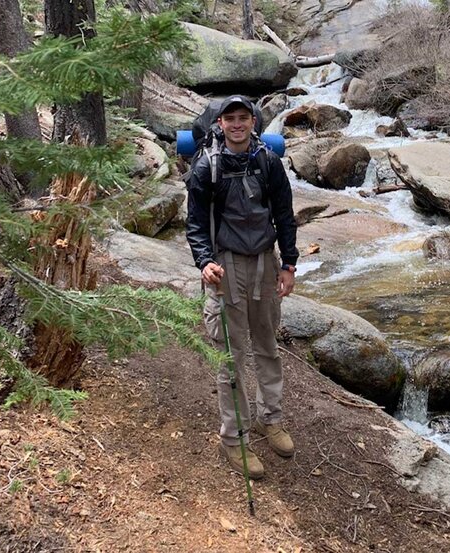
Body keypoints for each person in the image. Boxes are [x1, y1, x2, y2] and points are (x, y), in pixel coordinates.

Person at [186, 95, 299, 479]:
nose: (237, 124)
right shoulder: (206, 167)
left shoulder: (268, 161)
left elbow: (284, 214)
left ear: (253, 122)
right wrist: (205, 262)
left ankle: (273, 420)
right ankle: (234, 438)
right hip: (227, 265)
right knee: (231, 355)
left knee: (267, 346)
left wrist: (289, 264)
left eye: (243, 118)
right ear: (219, 124)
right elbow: (196, 224)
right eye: (229, 119)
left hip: (266, 262)